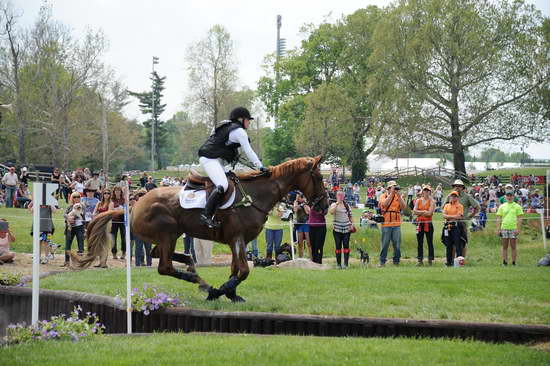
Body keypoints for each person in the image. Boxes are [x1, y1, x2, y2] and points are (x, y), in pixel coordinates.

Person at [197, 106, 268, 228]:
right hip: (210, 159)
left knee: (232, 179)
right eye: (248, 120)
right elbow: (249, 152)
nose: (249, 122)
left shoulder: (227, 127)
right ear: (241, 119)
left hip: (216, 160)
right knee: (223, 185)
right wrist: (260, 167)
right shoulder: (239, 131)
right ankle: (206, 215)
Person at [448, 179, 480, 258]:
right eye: (455, 186)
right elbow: (444, 207)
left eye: (459, 186)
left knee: (463, 242)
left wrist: (470, 216)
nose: (457, 187)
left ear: (462, 187)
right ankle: (451, 261)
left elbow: (477, 207)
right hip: (450, 223)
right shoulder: (450, 196)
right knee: (451, 243)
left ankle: (462, 261)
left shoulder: (467, 196)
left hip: (462, 223)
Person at [378, 181, 406, 267]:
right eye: (392, 187)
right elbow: (384, 204)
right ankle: (382, 262)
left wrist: (398, 196)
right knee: (385, 244)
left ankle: (396, 261)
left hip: (396, 223)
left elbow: (404, 207)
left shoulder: (398, 196)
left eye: (395, 187)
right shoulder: (383, 195)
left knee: (397, 243)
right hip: (386, 223)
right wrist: (391, 194)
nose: (394, 189)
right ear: (389, 188)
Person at [496, 191, 523, 266]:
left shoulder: (517, 206)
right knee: (504, 246)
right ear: (505, 197)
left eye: (511, 196)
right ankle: (504, 262)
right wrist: (498, 229)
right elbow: (498, 218)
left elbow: (520, 218)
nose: (509, 197)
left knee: (513, 246)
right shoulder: (502, 206)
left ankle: (514, 262)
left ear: (513, 197)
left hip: (513, 228)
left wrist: (518, 229)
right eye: (508, 196)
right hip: (504, 228)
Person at [329, 190, 352, 269]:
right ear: (336, 196)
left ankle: (346, 264)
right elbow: (331, 212)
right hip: (337, 229)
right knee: (338, 246)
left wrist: (351, 225)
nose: (340, 196)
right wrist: (337, 203)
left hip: (346, 228)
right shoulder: (333, 204)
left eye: (341, 195)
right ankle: (338, 264)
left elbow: (350, 216)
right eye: (338, 195)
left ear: (344, 196)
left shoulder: (347, 205)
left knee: (346, 245)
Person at [413, 185, 435, 266]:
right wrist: (424, 211)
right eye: (425, 190)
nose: (426, 192)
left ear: (430, 192)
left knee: (430, 242)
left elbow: (430, 213)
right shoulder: (418, 200)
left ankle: (430, 259)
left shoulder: (432, 201)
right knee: (419, 242)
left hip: (428, 223)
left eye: (427, 190)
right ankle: (420, 260)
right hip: (419, 223)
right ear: (422, 191)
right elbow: (414, 211)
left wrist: (420, 212)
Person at [442, 191, 464, 266]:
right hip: (447, 226)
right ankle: (448, 262)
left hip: (456, 226)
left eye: (455, 196)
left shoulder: (460, 206)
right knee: (448, 245)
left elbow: (459, 217)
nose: (453, 197)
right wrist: (453, 217)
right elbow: (444, 215)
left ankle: (459, 263)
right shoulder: (446, 205)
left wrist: (449, 217)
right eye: (452, 196)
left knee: (457, 244)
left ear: (457, 198)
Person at [63, 192, 85, 266]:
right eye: (74, 197)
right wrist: (68, 217)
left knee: (80, 244)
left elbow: (82, 214)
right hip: (70, 228)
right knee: (68, 244)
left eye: (78, 197)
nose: (76, 198)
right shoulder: (69, 207)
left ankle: (80, 262)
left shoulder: (82, 206)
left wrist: (72, 217)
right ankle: (66, 262)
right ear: (72, 198)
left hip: (80, 227)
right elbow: (64, 214)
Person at [109, 186, 126, 260]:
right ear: (114, 192)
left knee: (123, 238)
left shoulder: (124, 200)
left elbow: (126, 209)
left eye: (119, 191)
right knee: (113, 238)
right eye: (116, 191)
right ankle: (114, 253)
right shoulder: (112, 200)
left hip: (123, 221)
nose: (117, 192)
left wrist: (121, 210)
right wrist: (117, 210)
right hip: (114, 221)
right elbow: (110, 210)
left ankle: (123, 253)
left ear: (121, 192)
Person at [293, 193, 311, 258]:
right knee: (300, 243)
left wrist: (304, 204)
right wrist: (296, 203)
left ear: (301, 197)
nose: (297, 198)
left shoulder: (306, 203)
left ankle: (311, 257)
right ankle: (300, 258)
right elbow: (295, 210)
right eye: (296, 197)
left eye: (298, 197)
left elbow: (308, 212)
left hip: (306, 224)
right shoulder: (296, 203)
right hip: (299, 224)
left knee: (309, 242)